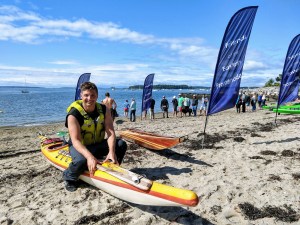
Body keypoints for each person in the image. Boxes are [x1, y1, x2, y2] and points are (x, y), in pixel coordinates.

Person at [63, 82, 127, 192]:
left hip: (96, 144)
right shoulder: (74, 114)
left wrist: (111, 151)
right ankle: (69, 177)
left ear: (97, 96)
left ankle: (112, 165)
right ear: (81, 96)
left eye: (93, 95)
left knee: (121, 144)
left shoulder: (104, 109)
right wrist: (89, 157)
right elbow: (76, 141)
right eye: (86, 95)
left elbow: (111, 132)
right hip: (80, 146)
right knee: (81, 160)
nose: (90, 98)